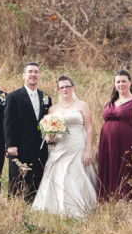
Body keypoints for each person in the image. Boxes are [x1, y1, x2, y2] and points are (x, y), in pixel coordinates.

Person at [31, 75, 98, 217]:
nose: (65, 89)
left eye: (67, 86)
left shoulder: (82, 105)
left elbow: (90, 129)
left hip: (76, 146)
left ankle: (77, 208)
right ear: (58, 90)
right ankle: (54, 208)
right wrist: (49, 135)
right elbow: (48, 131)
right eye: (61, 87)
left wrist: (88, 150)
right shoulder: (52, 109)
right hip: (58, 147)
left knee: (75, 175)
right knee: (56, 174)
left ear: (73, 88)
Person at [96, 70, 132, 200]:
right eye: (118, 82)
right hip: (107, 143)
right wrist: (97, 147)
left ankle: (129, 200)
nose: (121, 84)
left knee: (126, 170)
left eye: (124, 81)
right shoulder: (110, 103)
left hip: (127, 142)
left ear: (130, 82)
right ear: (114, 84)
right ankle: (109, 199)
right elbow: (104, 125)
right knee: (109, 168)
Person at [3, 62, 51, 200]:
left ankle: (33, 212)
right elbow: (8, 122)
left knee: (36, 183)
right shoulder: (13, 96)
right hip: (18, 148)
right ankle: (15, 211)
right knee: (16, 183)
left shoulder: (46, 98)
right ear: (24, 75)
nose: (33, 74)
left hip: (39, 149)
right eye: (30, 71)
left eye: (36, 72)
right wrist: (10, 145)